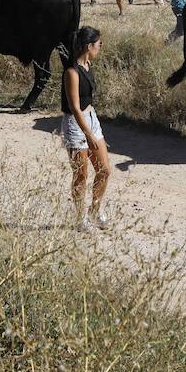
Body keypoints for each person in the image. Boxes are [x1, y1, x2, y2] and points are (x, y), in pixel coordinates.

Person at [60, 26, 110, 230]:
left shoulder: (88, 65)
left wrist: (92, 129)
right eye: (99, 44)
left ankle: (95, 211)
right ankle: (79, 218)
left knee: (105, 170)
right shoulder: (72, 72)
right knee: (81, 174)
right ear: (89, 46)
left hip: (91, 118)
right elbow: (74, 106)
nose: (101, 47)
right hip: (75, 123)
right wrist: (87, 134)